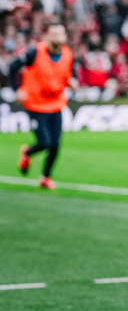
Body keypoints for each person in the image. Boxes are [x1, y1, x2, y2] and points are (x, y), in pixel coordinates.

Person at [11, 22, 79, 190]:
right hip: (36, 105)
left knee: (55, 145)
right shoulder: (35, 53)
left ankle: (45, 177)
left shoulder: (68, 54)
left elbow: (69, 74)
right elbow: (13, 67)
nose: (58, 37)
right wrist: (17, 89)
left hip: (56, 104)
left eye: (61, 33)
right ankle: (27, 152)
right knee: (45, 142)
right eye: (54, 34)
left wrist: (72, 81)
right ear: (47, 36)